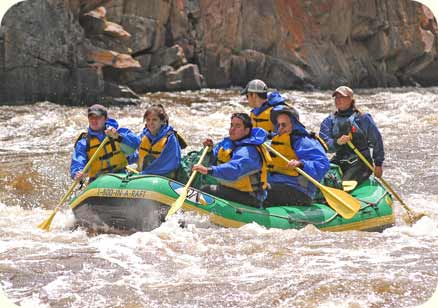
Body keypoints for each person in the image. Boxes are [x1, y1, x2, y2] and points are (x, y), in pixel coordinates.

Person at [192, 113, 271, 207]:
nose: (232, 129)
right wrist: (209, 151)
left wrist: (208, 170)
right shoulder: (227, 143)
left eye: (237, 126)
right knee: (204, 184)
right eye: (231, 125)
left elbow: (234, 170)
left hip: (249, 197)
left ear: (246, 130)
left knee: (206, 190)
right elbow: (214, 160)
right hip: (231, 189)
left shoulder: (249, 152)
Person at [319, 86, 384, 184]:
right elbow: (324, 144)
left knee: (342, 183)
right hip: (340, 160)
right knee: (322, 178)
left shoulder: (363, 118)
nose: (338, 100)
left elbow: (377, 140)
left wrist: (378, 164)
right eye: (336, 97)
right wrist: (337, 142)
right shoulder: (329, 121)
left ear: (350, 99)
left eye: (342, 97)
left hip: (361, 162)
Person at [265, 108, 330, 206]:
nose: (280, 128)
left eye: (284, 125)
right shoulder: (275, 139)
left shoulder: (305, 142)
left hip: (298, 190)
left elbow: (323, 165)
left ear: (294, 123)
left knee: (259, 191)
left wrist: (301, 164)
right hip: (276, 183)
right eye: (278, 125)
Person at [70, 104, 140, 182]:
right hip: (97, 180)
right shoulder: (84, 143)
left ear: (106, 119)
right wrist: (77, 173)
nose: (94, 121)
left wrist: (118, 137)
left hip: (120, 176)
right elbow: (78, 161)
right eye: (91, 118)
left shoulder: (118, 132)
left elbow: (137, 142)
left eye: (98, 118)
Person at [132, 104, 182, 177]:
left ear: (162, 121)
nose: (150, 123)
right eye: (148, 120)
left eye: (154, 120)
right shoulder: (143, 135)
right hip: (143, 174)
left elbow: (171, 162)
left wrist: (147, 172)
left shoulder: (170, 138)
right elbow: (133, 153)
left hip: (163, 177)